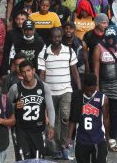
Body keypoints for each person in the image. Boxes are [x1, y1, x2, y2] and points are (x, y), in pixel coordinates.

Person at [38, 27, 81, 159]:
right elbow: (41, 75)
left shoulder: (69, 51)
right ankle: (55, 148)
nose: (56, 39)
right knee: (52, 121)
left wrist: (79, 91)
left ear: (61, 37)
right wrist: (41, 91)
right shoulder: (44, 53)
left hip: (66, 91)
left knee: (65, 118)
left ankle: (64, 146)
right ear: (50, 38)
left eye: (59, 37)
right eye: (54, 37)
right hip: (50, 93)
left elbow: (74, 71)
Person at [7, 59, 54, 159]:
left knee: (38, 159)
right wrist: (14, 105)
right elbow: (5, 105)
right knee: (23, 159)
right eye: (23, 72)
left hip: (39, 130)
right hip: (21, 130)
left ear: (33, 70)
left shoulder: (44, 86)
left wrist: (51, 126)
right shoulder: (15, 88)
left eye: (28, 71)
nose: (26, 74)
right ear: (20, 73)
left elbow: (50, 108)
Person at [66, 73, 109, 163]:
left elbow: (106, 119)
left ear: (96, 86)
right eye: (87, 90)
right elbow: (72, 119)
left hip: (98, 140)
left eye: (92, 91)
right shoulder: (77, 96)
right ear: (83, 86)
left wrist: (107, 138)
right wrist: (69, 137)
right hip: (81, 140)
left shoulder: (102, 98)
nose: (89, 93)